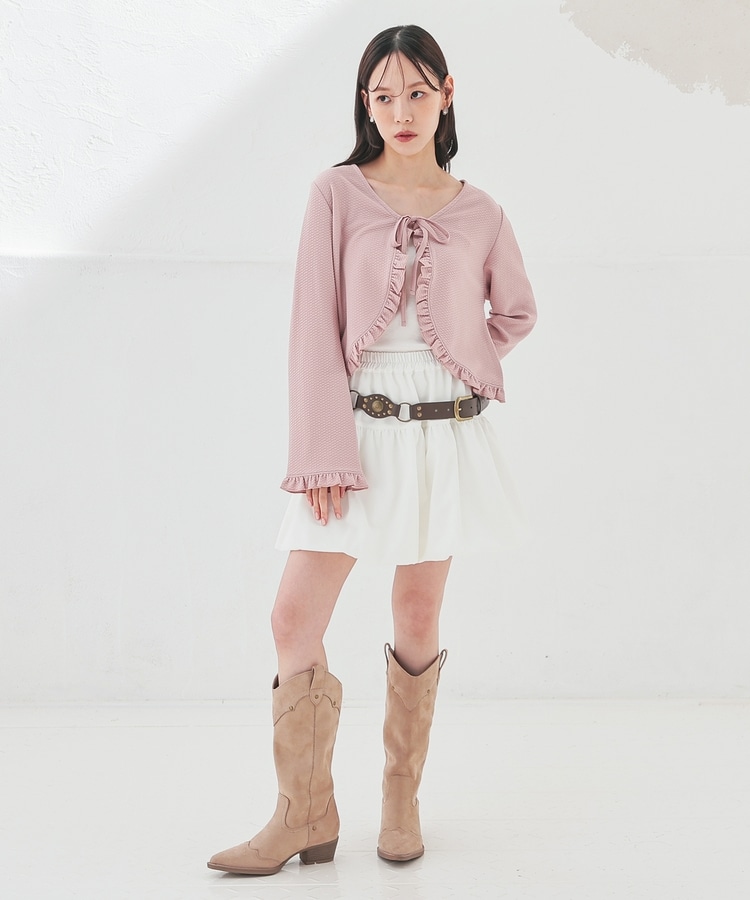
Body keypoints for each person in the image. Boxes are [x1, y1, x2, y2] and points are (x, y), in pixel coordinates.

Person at [207, 24, 536, 876]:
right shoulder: (336, 193)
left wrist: (463, 361)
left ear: (447, 95)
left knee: (418, 615)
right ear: (365, 103)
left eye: (417, 93)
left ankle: (400, 800)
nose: (401, 112)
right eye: (384, 96)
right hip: (353, 430)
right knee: (291, 618)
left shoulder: (482, 211)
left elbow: (517, 312)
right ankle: (303, 813)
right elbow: (311, 328)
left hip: (443, 432)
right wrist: (322, 450)